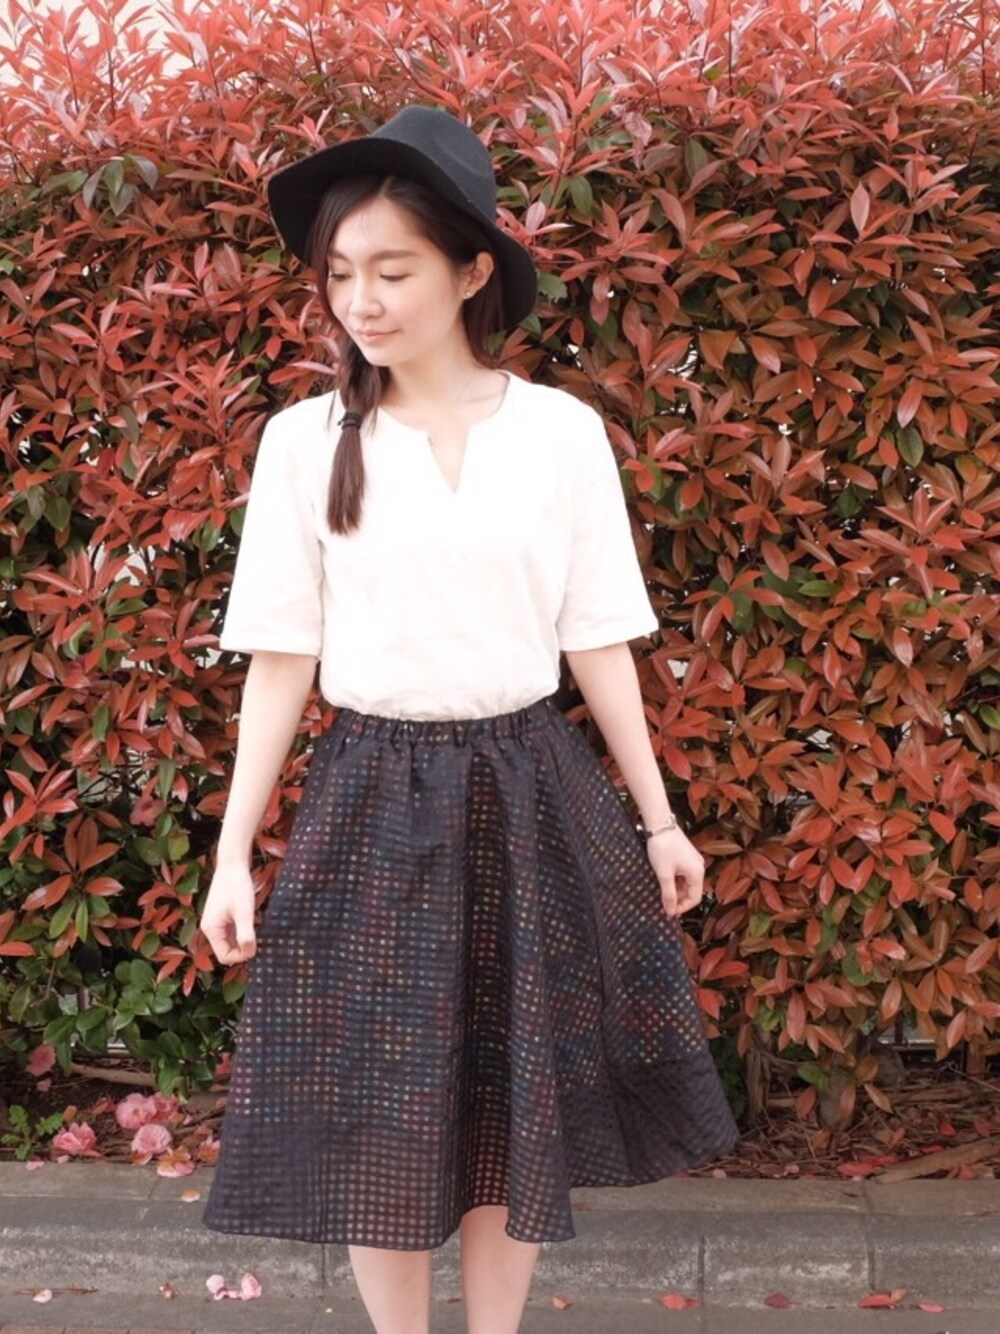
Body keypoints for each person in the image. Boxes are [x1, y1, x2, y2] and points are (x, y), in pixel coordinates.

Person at [198, 104, 739, 1334]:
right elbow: (280, 660)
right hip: (370, 799)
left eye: (392, 270)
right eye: (341, 272)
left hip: (528, 787)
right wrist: (232, 854)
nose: (361, 300)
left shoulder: (558, 434)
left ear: (472, 270)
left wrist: (659, 819)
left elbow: (596, 637)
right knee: (379, 1108)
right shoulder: (302, 444)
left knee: (514, 1097)